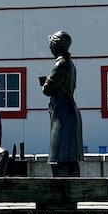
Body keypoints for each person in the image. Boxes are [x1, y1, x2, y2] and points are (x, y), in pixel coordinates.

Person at [41, 30, 82, 177]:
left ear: (55, 46)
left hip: (62, 113)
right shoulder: (70, 64)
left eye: (51, 45)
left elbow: (48, 89)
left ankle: (62, 194)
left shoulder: (61, 64)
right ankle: (72, 192)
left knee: (59, 157)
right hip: (70, 110)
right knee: (71, 158)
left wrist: (44, 83)